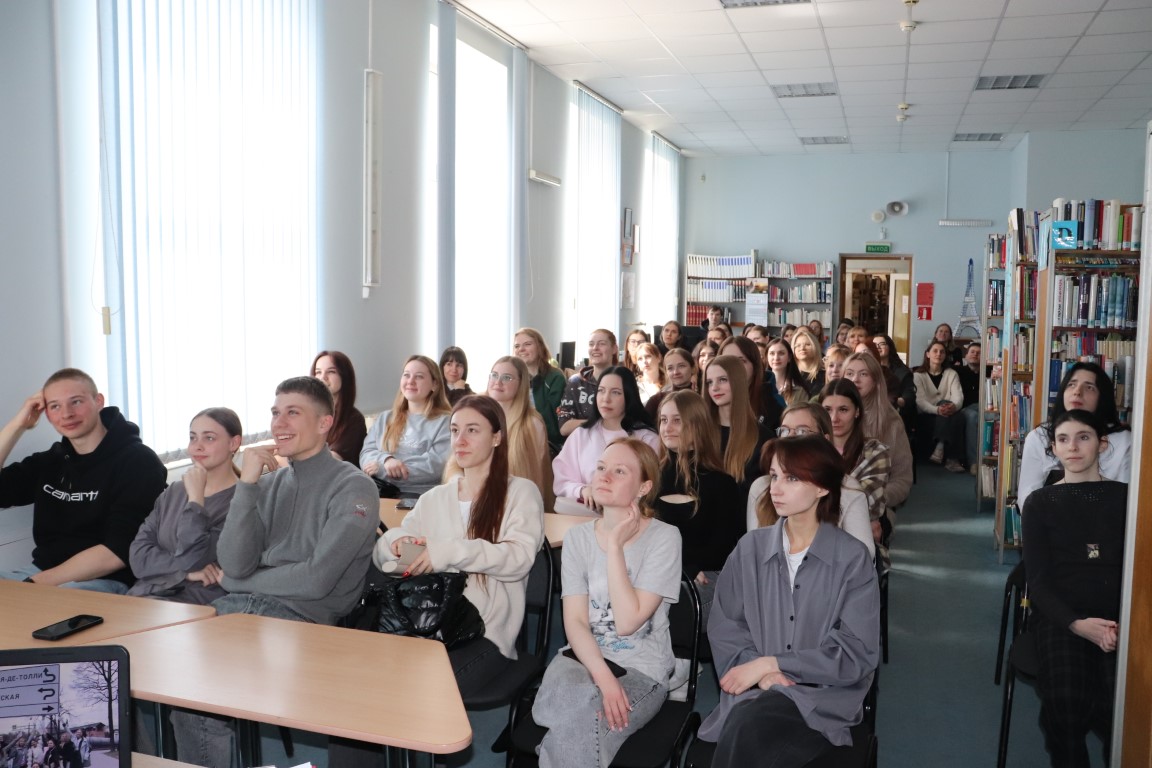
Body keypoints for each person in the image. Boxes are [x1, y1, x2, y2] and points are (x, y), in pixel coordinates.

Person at [699, 436, 879, 768]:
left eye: (792, 478)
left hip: (822, 698)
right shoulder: (750, 549)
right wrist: (762, 673)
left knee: (749, 730)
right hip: (755, 692)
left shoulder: (852, 559)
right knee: (753, 728)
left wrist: (773, 663)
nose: (776, 488)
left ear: (822, 487)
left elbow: (856, 652)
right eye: (774, 476)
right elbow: (726, 626)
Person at [377, 395, 545, 696]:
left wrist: (445, 552)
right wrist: (397, 543)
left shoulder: (521, 492)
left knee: (422, 688)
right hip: (429, 621)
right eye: (455, 430)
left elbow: (518, 559)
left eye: (472, 430)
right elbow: (387, 557)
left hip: (485, 633)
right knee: (373, 676)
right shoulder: (435, 498)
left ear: (497, 438)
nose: (460, 440)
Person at [532, 439, 682, 768]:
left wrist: (614, 547)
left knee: (577, 727)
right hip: (581, 660)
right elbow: (575, 622)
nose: (604, 476)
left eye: (619, 471)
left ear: (644, 487)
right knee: (583, 712)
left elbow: (628, 623)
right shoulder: (577, 538)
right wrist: (604, 680)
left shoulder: (664, 537)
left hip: (641, 670)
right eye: (601, 467)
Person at [216, 375, 379, 622]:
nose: (278, 424)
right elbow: (234, 565)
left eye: (292, 413)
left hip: (302, 618)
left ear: (324, 423)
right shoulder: (267, 485)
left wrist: (235, 583)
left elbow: (316, 580)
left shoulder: (355, 488)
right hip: (240, 606)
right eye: (275, 413)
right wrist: (246, 485)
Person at [1022, 409, 1127, 768]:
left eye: (1084, 437)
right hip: (1062, 619)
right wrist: (1078, 625)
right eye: (1063, 439)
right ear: (1053, 448)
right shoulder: (1040, 503)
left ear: (1102, 444)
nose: (1073, 447)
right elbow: (1038, 583)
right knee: (1066, 701)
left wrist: (1121, 624)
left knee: (1120, 704)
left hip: (1118, 618)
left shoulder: (1127, 499)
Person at [0, 368, 166, 591]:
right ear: (46, 414)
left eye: (76, 402)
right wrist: (18, 425)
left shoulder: (138, 462)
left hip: (106, 580)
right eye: (55, 406)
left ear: (99, 401)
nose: (66, 414)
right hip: (41, 573)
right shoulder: (52, 460)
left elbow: (116, 553)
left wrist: (32, 587)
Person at [128, 408, 243, 604]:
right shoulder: (174, 491)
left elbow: (194, 560)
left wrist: (196, 500)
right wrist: (185, 573)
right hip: (144, 596)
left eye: (209, 438)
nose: (197, 447)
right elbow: (138, 557)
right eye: (193, 438)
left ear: (233, 443)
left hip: (195, 603)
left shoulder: (241, 501)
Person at [654, 391, 743, 616]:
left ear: (698, 425)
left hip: (701, 577)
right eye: (663, 420)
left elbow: (722, 549)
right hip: (658, 572)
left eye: (677, 420)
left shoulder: (722, 483)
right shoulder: (650, 476)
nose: (667, 428)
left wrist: (686, 567)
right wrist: (680, 565)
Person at [746, 405, 874, 559]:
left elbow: (864, 557)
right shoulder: (762, 487)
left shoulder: (848, 488)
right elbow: (753, 555)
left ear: (825, 440)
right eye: (785, 431)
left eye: (802, 431)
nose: (790, 438)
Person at [1017, 362, 1132, 508]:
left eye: (1089, 387)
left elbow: (1126, 502)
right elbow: (1026, 500)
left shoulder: (1124, 440)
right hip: (1050, 518)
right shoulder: (1039, 437)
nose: (1077, 392)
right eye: (1071, 385)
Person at [552, 367, 660, 512]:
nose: (606, 399)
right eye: (601, 391)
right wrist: (582, 490)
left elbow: (651, 487)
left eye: (615, 392)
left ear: (629, 396)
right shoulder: (581, 434)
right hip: (582, 514)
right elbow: (562, 481)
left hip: (631, 517)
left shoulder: (646, 438)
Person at [360, 355, 452, 496]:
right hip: (378, 493)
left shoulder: (445, 422)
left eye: (419, 376)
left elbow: (435, 466)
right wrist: (387, 460)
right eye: (406, 375)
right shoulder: (385, 418)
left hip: (419, 498)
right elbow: (366, 453)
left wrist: (383, 468)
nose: (410, 381)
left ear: (434, 384)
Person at [471, 356, 553, 508]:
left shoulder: (532, 424)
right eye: (494, 375)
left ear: (521, 384)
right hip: (474, 498)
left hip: (515, 503)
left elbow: (536, 477)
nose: (498, 382)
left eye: (507, 378)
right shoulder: (473, 414)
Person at [819, 381, 891, 544]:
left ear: (857, 412)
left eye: (843, 410)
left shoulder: (875, 452)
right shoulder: (810, 450)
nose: (834, 418)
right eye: (827, 410)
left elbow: (865, 505)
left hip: (855, 541)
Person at [843, 353, 911, 509]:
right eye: (850, 373)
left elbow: (902, 478)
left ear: (875, 381)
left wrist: (876, 499)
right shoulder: (829, 415)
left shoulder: (891, 421)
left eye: (863, 374)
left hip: (875, 506)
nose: (855, 379)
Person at [704, 356, 770, 491]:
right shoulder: (700, 432)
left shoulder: (763, 437)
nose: (714, 388)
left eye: (722, 380)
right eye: (709, 382)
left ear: (738, 382)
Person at [913, 341, 967, 473]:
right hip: (927, 415)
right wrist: (937, 410)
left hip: (948, 414)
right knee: (954, 416)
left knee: (958, 415)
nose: (939, 354)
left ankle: (940, 446)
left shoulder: (951, 373)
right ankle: (952, 459)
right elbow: (920, 401)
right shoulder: (918, 375)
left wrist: (953, 406)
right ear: (927, 354)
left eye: (942, 352)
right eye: (935, 351)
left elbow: (958, 396)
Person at [557, 329, 620, 438]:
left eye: (602, 344)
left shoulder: (623, 380)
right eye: (591, 344)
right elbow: (564, 427)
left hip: (617, 441)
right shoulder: (575, 382)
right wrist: (600, 423)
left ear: (614, 349)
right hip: (582, 444)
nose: (595, 348)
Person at [514, 327, 566, 454]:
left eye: (527, 344)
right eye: (517, 346)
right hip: (518, 440)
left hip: (548, 444)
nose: (521, 349)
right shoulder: (514, 378)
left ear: (540, 347)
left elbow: (555, 422)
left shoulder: (555, 377)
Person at [311, 350, 368, 464]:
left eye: (331, 372)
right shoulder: (310, 414)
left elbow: (329, 461)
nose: (323, 377)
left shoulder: (354, 420)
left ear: (344, 377)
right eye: (318, 372)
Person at [717, 336, 783, 430]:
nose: (733, 367)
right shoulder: (709, 403)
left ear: (755, 366)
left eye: (741, 361)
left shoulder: (774, 406)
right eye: (726, 361)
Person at [874, 334, 916, 428]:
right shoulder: (868, 368)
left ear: (889, 347)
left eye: (882, 344)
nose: (878, 347)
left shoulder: (902, 371)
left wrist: (894, 402)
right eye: (875, 345)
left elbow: (909, 396)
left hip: (895, 414)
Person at [644, 347, 697, 421]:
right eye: (670, 368)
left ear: (693, 368)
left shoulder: (703, 396)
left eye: (681, 366)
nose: (676, 372)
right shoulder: (657, 400)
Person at [956, 342, 984, 473]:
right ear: (966, 356)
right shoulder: (958, 372)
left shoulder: (989, 372)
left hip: (984, 408)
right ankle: (973, 462)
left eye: (979, 353)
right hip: (966, 408)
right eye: (972, 352)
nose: (975, 355)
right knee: (973, 417)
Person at [765, 338, 808, 407]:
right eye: (772, 353)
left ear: (789, 357)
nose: (776, 358)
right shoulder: (759, 384)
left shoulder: (799, 391)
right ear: (767, 357)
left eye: (781, 353)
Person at [789, 327, 824, 396]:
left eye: (807, 344)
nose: (802, 348)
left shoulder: (825, 374)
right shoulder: (789, 374)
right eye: (798, 345)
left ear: (815, 346)